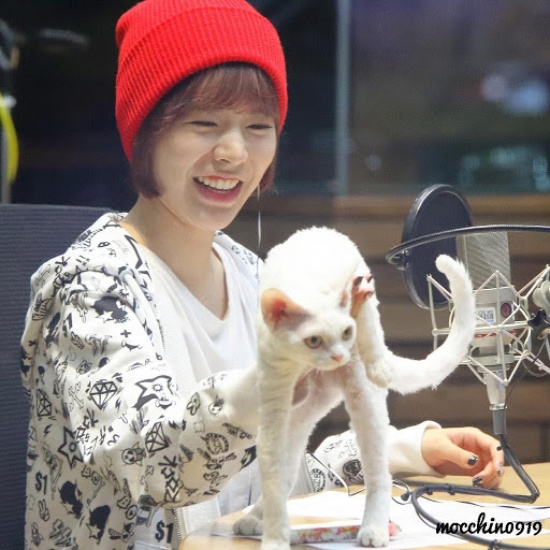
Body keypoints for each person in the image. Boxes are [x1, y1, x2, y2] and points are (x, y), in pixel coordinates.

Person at [20, 1, 504, 548]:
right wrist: (267, 388)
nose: (233, 153)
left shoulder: (253, 275)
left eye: (258, 127)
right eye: (204, 124)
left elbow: (260, 481)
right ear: (146, 129)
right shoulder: (90, 287)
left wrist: (406, 450)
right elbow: (154, 466)